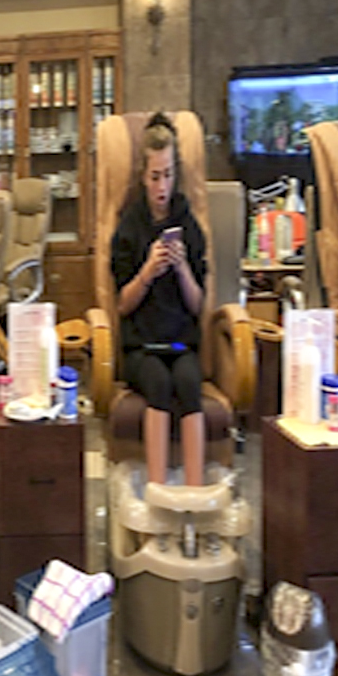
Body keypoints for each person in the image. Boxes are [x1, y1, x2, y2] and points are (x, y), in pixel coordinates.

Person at [111, 112, 207, 486]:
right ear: (143, 176)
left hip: (181, 341)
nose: (162, 186)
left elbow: (197, 305)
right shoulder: (129, 227)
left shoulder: (188, 223)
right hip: (142, 345)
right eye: (155, 176)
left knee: (189, 383)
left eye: (168, 175)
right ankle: (157, 489)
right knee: (159, 383)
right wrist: (148, 272)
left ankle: (195, 490)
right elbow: (122, 305)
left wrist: (182, 270)